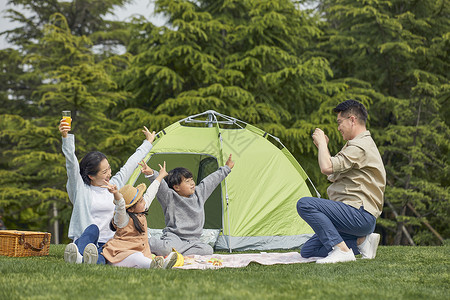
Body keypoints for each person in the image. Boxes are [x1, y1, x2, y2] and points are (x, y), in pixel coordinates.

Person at [297, 100, 386, 264]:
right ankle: (361, 242)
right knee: (309, 251)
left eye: (340, 122)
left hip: (358, 214)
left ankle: (342, 251)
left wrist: (323, 144)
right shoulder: (355, 146)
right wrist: (322, 148)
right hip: (353, 217)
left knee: (305, 204)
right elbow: (332, 173)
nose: (338, 128)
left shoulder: (360, 146)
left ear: (352, 120)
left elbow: (326, 167)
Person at [60, 118, 156, 264]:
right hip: (88, 240)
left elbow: (130, 164)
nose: (109, 173)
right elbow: (71, 165)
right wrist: (66, 137)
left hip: (109, 244)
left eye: (109, 168)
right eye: (104, 172)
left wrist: (148, 143)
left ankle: (80, 260)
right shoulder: (80, 189)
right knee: (92, 230)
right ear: (91, 176)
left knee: (101, 260)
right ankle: (79, 253)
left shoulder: (115, 185)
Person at [140, 154, 235, 257]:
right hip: (174, 238)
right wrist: (151, 173)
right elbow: (160, 185)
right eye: (187, 181)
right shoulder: (169, 197)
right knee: (166, 248)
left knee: (208, 250)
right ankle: (143, 241)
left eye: (192, 180)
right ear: (176, 187)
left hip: (193, 241)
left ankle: (175, 253)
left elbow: (211, 180)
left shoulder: (199, 194)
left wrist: (227, 168)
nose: (192, 183)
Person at [100, 162, 177, 269]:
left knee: (140, 258)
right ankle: (161, 265)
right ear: (131, 208)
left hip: (133, 256)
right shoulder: (123, 219)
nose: (144, 202)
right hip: (118, 257)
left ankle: (154, 263)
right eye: (140, 201)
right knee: (137, 257)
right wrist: (115, 193)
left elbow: (151, 192)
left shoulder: (140, 210)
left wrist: (160, 176)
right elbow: (120, 205)